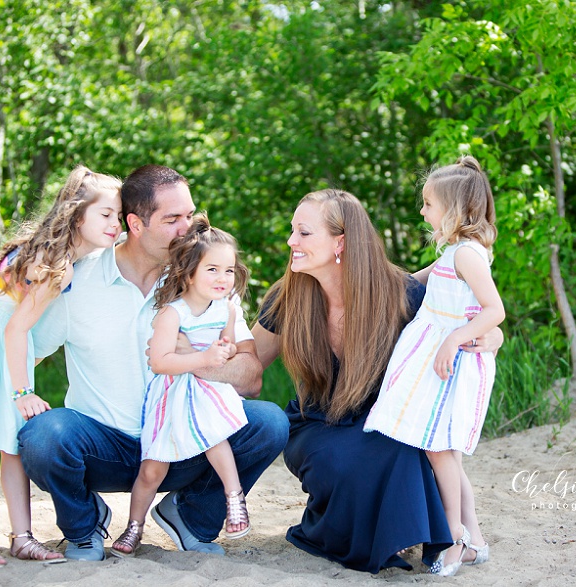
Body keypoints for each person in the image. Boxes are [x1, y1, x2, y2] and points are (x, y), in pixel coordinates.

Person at [0, 164, 288, 562]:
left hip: (182, 441)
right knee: (43, 436)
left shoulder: (206, 278)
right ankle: (85, 523)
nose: (189, 228)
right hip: (103, 446)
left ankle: (189, 517)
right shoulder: (78, 279)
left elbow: (250, 378)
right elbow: (28, 346)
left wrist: (187, 359)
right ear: (136, 223)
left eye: (190, 215)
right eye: (173, 219)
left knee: (269, 423)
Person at [251, 188, 503, 574]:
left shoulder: (398, 293)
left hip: (385, 417)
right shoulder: (287, 297)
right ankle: (343, 530)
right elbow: (248, 365)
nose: (291, 242)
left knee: (403, 449)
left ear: (341, 241)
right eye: (292, 231)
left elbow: (465, 314)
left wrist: (492, 337)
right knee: (342, 461)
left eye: (303, 233)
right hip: (319, 422)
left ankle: (448, 536)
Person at [0, 165, 122, 567]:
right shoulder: (55, 265)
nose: (114, 224)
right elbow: (15, 327)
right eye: (106, 214)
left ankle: (21, 537)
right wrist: (23, 392)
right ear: (78, 216)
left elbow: (20, 331)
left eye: (118, 215)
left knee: (13, 437)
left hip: (7, 335)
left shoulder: (75, 253)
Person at [364, 155, 502, 576]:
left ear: (456, 210)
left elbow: (494, 310)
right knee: (444, 454)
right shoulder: (453, 253)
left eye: (428, 204)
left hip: (451, 362)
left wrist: (454, 337)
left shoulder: (467, 256)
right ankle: (474, 539)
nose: (422, 211)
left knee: (440, 451)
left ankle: (456, 539)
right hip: (438, 357)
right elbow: (412, 280)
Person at [111, 214, 252, 557]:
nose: (223, 278)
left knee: (215, 437)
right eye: (212, 270)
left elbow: (228, 343)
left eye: (229, 270)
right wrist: (203, 360)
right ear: (189, 273)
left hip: (204, 391)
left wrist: (225, 350)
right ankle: (134, 526)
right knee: (152, 470)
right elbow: (159, 362)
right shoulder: (172, 313)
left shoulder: (227, 309)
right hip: (172, 394)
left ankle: (235, 499)